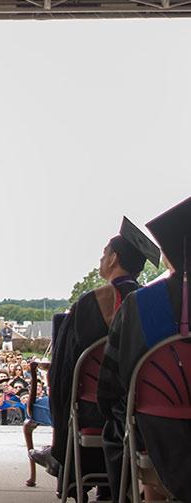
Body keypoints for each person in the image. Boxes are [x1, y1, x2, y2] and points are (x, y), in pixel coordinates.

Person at [34, 217, 160, 498]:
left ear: (114, 258)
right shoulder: (149, 304)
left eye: (104, 254)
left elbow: (65, 370)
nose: (102, 258)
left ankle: (63, 460)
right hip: (139, 408)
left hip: (91, 410)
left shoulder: (90, 303)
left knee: (67, 389)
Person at [98, 197, 191, 503]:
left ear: (168, 255)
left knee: (127, 416)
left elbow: (111, 387)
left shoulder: (140, 306)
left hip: (155, 437)